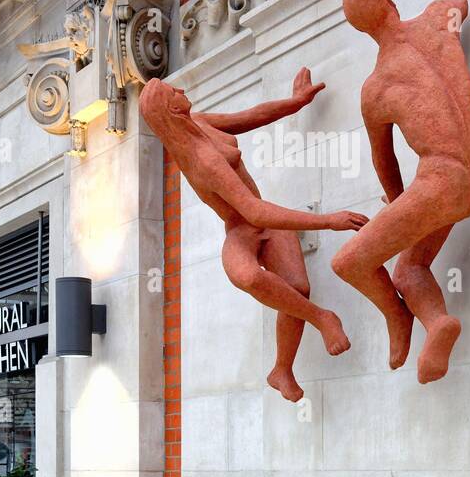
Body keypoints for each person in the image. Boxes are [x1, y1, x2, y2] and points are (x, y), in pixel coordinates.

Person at [140, 70, 367, 402]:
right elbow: (254, 212)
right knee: (246, 275)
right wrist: (328, 220)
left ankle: (281, 370)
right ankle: (322, 317)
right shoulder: (201, 161)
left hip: (263, 220)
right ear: (171, 110)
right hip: (242, 229)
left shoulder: (200, 123)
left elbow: (250, 117)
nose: (181, 88)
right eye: (173, 91)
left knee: (298, 287)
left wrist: (294, 103)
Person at [331, 0, 470, 383]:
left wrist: (400, 205)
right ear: (390, 1)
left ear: (362, 31)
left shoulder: (376, 89)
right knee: (409, 268)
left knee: (348, 262)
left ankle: (398, 317)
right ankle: (436, 325)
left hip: (440, 184)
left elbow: (382, 159)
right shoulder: (440, 18)